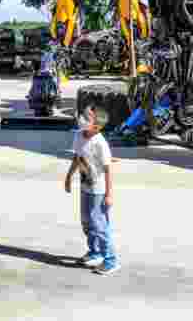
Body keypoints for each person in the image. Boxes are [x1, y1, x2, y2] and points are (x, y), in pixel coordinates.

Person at [65, 105, 119, 274]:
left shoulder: (100, 143)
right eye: (83, 115)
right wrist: (68, 177)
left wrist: (109, 194)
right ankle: (94, 252)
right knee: (87, 222)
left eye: (87, 118)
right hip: (85, 186)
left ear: (96, 126)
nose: (81, 119)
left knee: (99, 224)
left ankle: (110, 259)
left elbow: (108, 169)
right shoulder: (78, 136)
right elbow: (77, 157)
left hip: (98, 191)